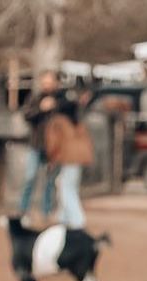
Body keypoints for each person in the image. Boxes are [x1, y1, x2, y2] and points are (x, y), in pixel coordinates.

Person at [18, 70, 71, 224]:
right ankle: (23, 211)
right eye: (44, 82)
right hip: (36, 145)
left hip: (54, 149)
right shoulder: (35, 98)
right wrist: (41, 109)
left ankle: (46, 213)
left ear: (56, 83)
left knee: (50, 182)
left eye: (50, 82)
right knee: (30, 177)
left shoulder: (61, 100)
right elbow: (26, 115)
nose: (47, 85)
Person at [44, 85, 94, 229]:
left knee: (66, 187)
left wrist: (51, 159)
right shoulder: (77, 122)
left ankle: (77, 220)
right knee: (67, 185)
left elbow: (53, 143)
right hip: (79, 158)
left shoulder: (57, 122)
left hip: (68, 158)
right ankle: (64, 218)